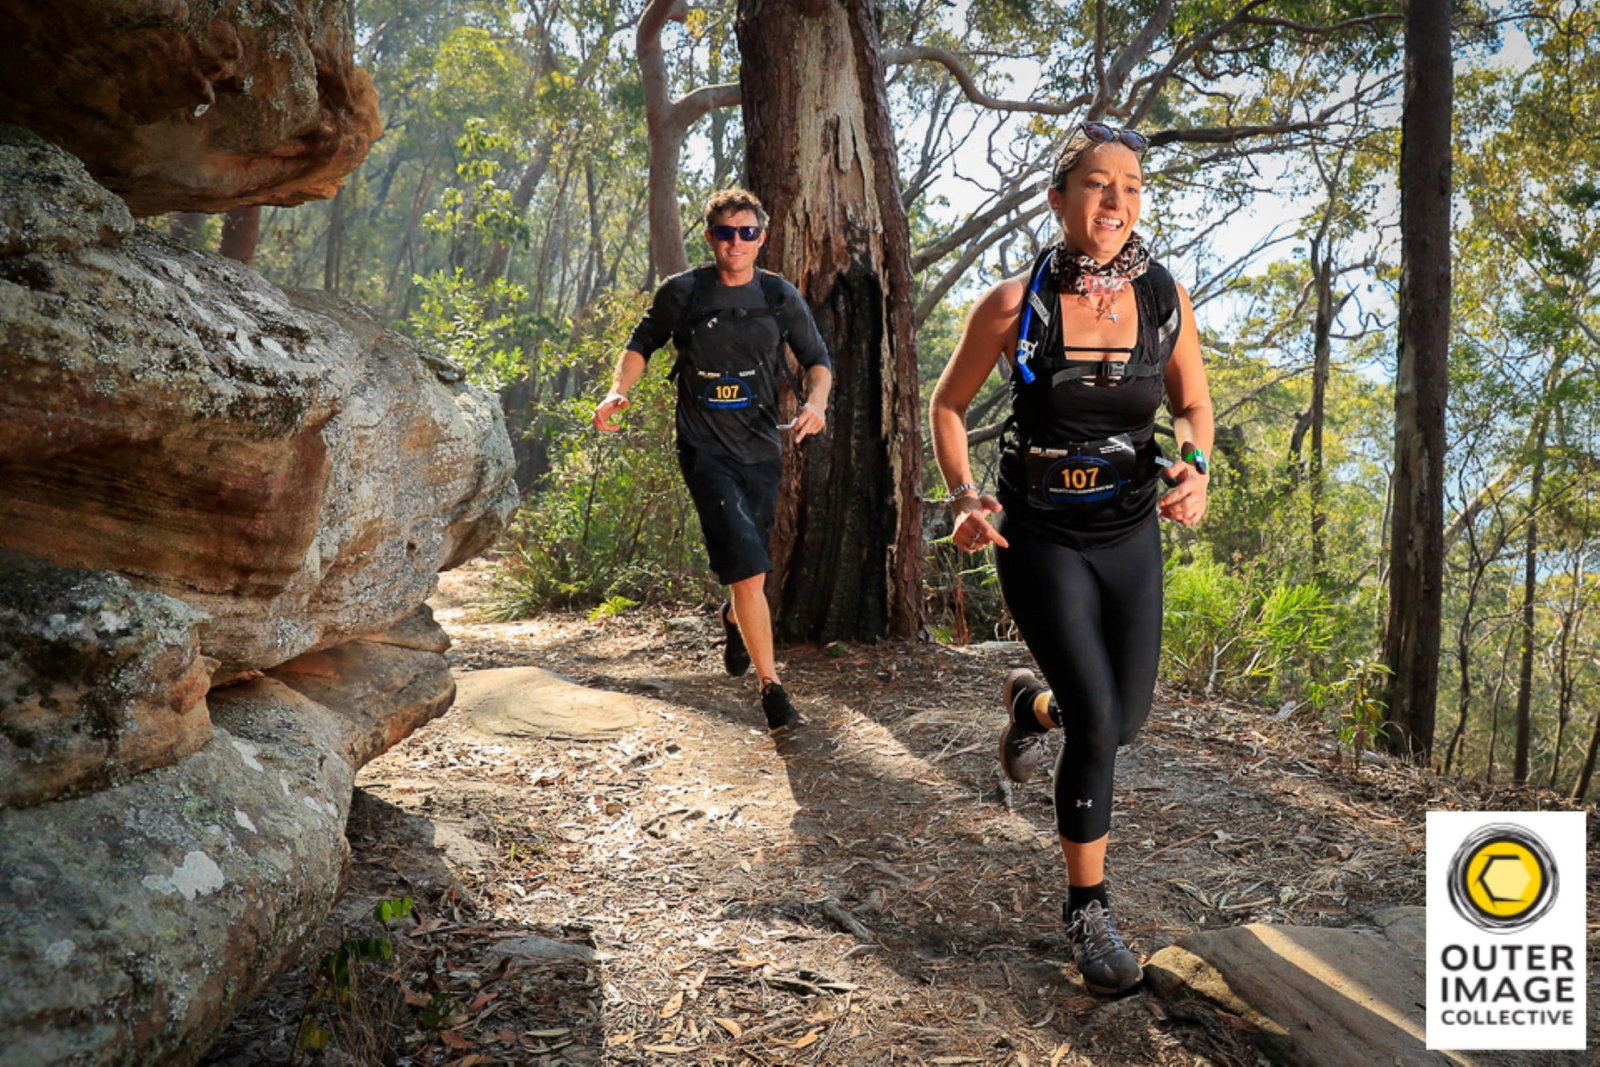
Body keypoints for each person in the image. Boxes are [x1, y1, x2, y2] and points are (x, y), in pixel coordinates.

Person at [928, 123, 1213, 996]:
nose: (1115, 202)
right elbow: (947, 405)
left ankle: (1030, 704)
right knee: (1100, 727)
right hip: (1039, 534)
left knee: (1120, 722)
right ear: (1058, 200)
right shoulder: (1016, 304)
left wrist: (1196, 469)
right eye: (1096, 184)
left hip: (1129, 532)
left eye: (1130, 186)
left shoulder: (1164, 297)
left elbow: (1195, 404)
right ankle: (1087, 911)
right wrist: (968, 496)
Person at [592, 187, 832, 732]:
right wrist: (618, 391)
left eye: (747, 233)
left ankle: (732, 618)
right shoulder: (685, 293)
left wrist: (816, 403)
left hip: (761, 449)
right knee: (749, 570)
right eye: (726, 233)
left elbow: (817, 360)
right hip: (704, 449)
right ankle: (773, 691)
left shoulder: (778, 297)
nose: (736, 243)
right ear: (710, 238)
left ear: (761, 238)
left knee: (750, 566)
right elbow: (641, 344)